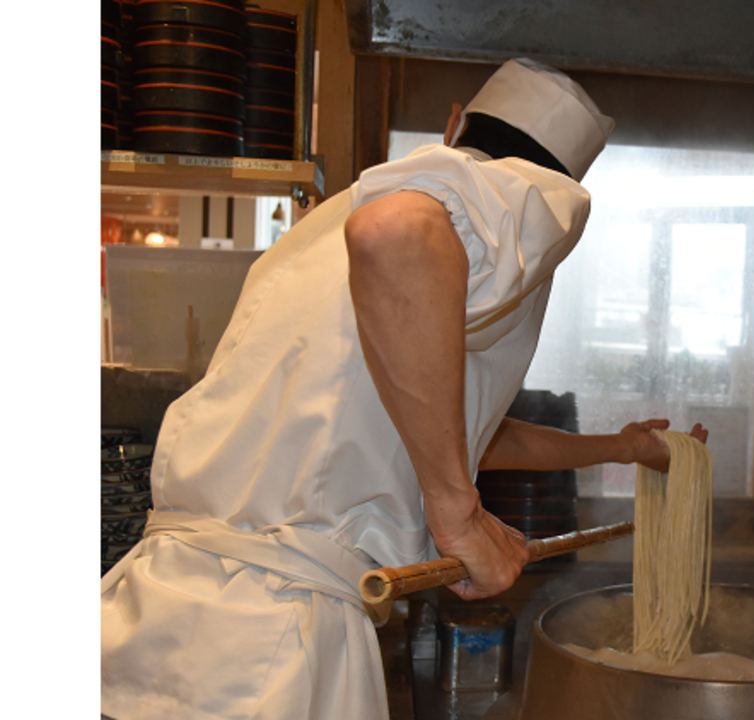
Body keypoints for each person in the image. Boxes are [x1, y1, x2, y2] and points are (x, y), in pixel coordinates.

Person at [101, 58, 707, 720]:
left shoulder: (325, 226)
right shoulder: (506, 190)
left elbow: (450, 426)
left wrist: (619, 448)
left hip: (158, 607)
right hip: (272, 645)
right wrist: (459, 512)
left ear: (455, 124)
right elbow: (395, 235)